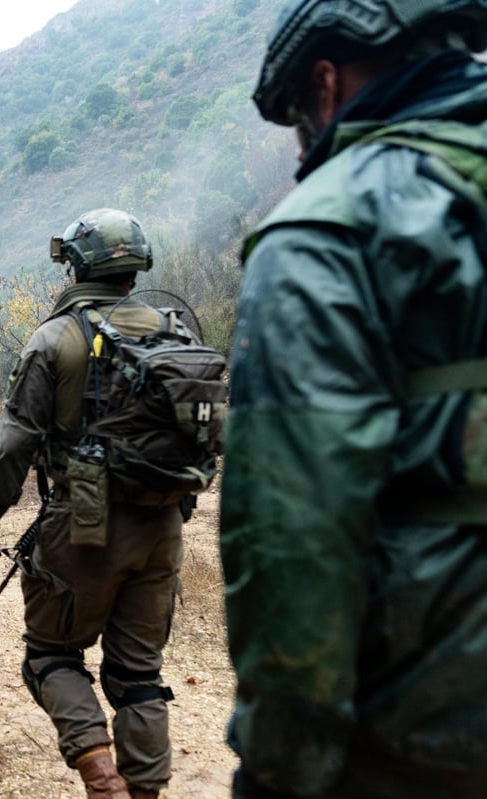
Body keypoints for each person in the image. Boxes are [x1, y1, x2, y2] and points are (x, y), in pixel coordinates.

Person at [220, 2, 487, 797]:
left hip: (430, 729)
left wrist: (280, 766)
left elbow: (296, 532)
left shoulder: (327, 228)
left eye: (299, 122)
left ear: (326, 86)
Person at [0, 209, 182, 799]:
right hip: (164, 517)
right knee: (139, 675)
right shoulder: (174, 332)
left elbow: (14, 445)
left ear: (77, 263)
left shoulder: (57, 337)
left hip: (84, 502)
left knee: (51, 655)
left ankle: (103, 781)